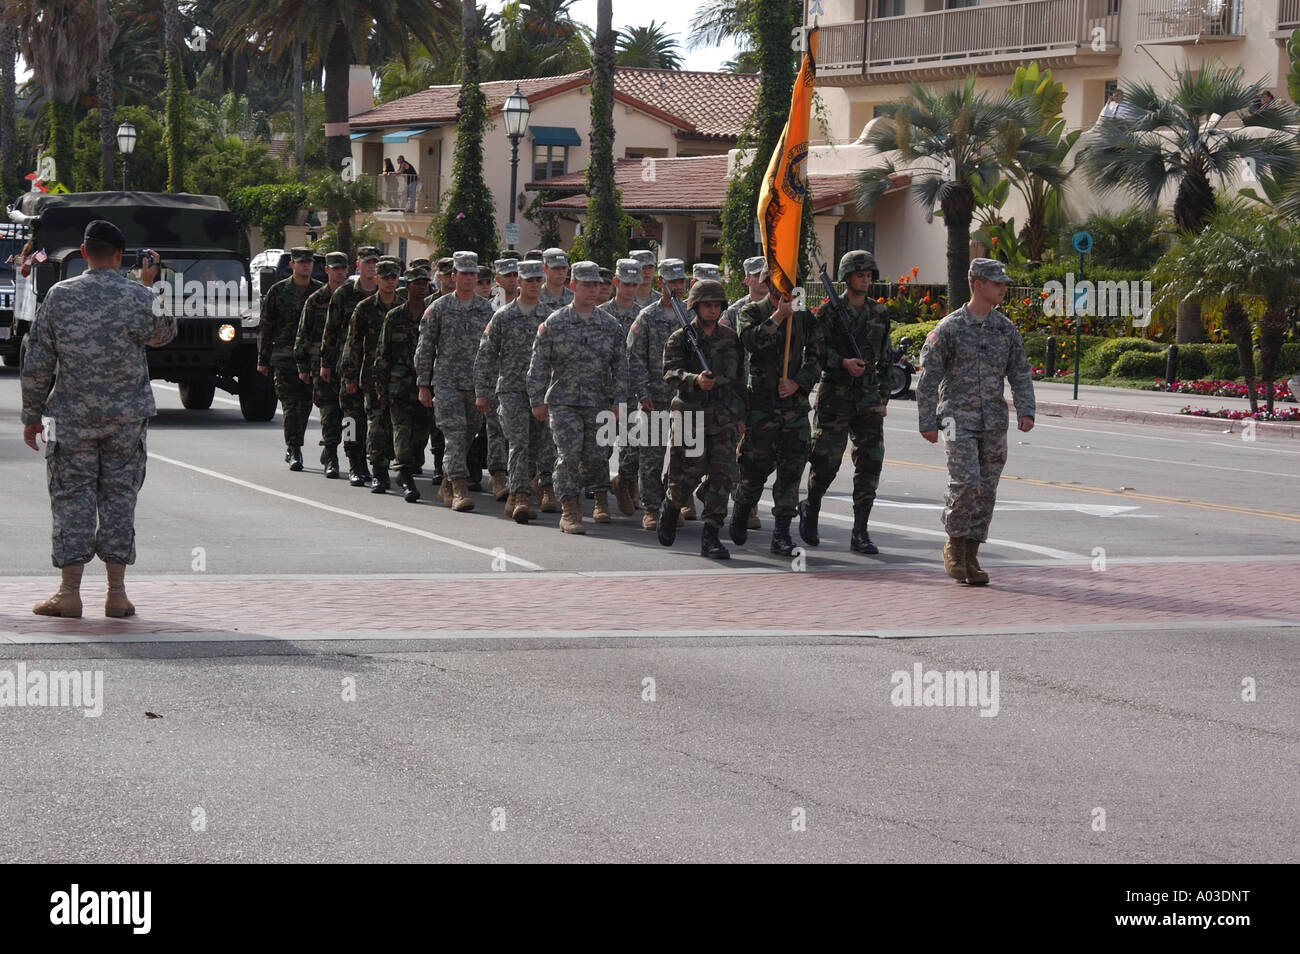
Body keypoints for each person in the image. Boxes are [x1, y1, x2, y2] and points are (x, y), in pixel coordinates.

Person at [20, 220, 172, 618]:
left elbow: (37, 362)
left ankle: (69, 593)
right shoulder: (139, 295)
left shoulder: (59, 295)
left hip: (70, 418)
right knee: (120, 499)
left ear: (84, 253)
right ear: (120, 256)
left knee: (71, 498)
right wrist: (152, 285)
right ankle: (117, 594)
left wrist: (31, 415)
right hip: (127, 419)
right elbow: (164, 333)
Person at [916, 257, 1036, 586]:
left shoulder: (1005, 329)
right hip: (958, 420)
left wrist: (1026, 409)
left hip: (994, 422)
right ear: (978, 285)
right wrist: (927, 420)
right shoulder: (950, 328)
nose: (1002, 289)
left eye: (1003, 284)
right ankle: (954, 546)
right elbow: (928, 379)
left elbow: (1020, 372)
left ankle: (972, 552)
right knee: (966, 482)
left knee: (986, 490)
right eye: (997, 283)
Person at [801, 250, 891, 554]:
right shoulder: (827, 313)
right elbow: (815, 353)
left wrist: (884, 395)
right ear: (847, 277)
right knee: (826, 460)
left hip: (867, 396)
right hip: (836, 394)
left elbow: (887, 357)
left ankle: (860, 531)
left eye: (868, 275)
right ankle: (811, 506)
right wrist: (842, 363)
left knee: (871, 461)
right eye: (859, 275)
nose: (865, 280)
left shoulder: (879, 313)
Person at [527, 261, 627, 534]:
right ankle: (570, 509)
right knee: (568, 455)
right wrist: (537, 399)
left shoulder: (610, 325)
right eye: (586, 285)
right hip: (563, 401)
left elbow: (620, 366)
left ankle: (600, 497)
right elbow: (539, 364)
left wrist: (619, 400)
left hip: (597, 402)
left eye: (596, 284)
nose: (593, 290)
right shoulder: (555, 323)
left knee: (596, 455)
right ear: (573, 286)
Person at [731, 273, 823, 556]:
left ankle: (782, 534)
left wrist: (798, 381)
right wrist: (778, 317)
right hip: (761, 406)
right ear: (771, 286)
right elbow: (749, 342)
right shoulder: (751, 311)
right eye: (783, 285)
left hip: (793, 405)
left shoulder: (805, 316)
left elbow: (817, 357)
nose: (790, 291)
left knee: (791, 469)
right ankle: (742, 510)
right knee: (754, 468)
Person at [657, 279, 744, 560]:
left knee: (722, 475)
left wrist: (742, 415)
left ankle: (712, 536)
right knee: (685, 473)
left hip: (724, 416)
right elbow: (669, 372)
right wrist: (694, 380)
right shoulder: (680, 338)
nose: (713, 310)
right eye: (707, 305)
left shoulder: (731, 338)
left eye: (717, 305)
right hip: (689, 416)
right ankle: (671, 507)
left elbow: (739, 380)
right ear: (695, 306)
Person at [475, 259, 555, 522]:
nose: (534, 285)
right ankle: (520, 495)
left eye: (537, 280)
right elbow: (486, 355)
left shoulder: (551, 317)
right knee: (518, 442)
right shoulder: (503, 316)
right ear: (518, 282)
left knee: (535, 445)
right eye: (528, 280)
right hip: (510, 390)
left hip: (541, 392)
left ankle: (519, 490)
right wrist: (482, 392)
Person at [417, 251, 494, 511]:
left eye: (474, 274)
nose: (471, 278)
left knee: (468, 435)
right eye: (465, 274)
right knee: (455, 435)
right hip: (447, 383)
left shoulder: (486, 310)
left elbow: (493, 350)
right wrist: (423, 385)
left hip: (476, 387)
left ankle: (447, 484)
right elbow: (425, 349)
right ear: (454, 276)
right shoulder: (438, 308)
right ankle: (459, 489)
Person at [626, 258, 687, 531]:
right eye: (671, 282)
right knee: (651, 458)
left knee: (684, 457)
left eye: (680, 281)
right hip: (654, 399)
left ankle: (671, 504)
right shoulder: (647, 317)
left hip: (685, 400)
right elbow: (634, 358)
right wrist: (642, 393)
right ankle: (651, 508)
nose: (677, 287)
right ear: (661, 283)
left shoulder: (691, 316)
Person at [320, 246, 381, 487]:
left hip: (376, 370)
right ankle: (353, 462)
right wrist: (325, 363)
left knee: (374, 421)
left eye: (375, 262)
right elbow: (330, 331)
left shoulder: (386, 292)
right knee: (350, 419)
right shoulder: (344, 295)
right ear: (358, 265)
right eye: (367, 262)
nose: (371, 266)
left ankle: (372, 463)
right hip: (349, 367)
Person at [341, 258, 403, 493]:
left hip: (397, 378)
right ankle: (370, 469)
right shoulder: (365, 307)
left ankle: (387, 465)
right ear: (376, 279)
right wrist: (349, 376)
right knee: (369, 423)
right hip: (368, 375)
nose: (389, 281)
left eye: (393, 277)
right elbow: (352, 343)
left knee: (390, 425)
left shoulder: (402, 307)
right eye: (385, 277)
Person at [258, 247, 322, 472]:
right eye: (301, 262)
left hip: (311, 359)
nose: (306, 265)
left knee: (305, 405)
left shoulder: (319, 292)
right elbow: (266, 327)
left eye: (309, 262)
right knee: (291, 405)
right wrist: (263, 359)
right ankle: (294, 448)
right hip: (284, 359)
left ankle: (297, 443)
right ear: (292, 265)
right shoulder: (278, 291)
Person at [374, 267, 432, 503]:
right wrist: (381, 388)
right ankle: (404, 475)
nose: (421, 287)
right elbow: (383, 354)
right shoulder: (394, 316)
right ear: (407, 286)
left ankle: (410, 467)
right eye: (416, 283)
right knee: (401, 431)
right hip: (399, 386)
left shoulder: (432, 314)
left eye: (424, 283)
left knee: (421, 434)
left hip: (426, 386)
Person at [294, 251, 350, 478]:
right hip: (322, 364)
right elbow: (302, 335)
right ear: (327, 270)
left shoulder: (355, 298)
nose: (339, 272)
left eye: (342, 268)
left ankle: (352, 454)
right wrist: (303, 367)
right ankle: (331, 452)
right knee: (328, 411)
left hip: (350, 366)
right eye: (335, 268)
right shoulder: (315, 299)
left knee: (351, 415)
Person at [602, 258, 646, 517]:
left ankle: (625, 482)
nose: (630, 289)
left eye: (634, 284)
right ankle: (598, 493)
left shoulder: (643, 315)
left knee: (634, 444)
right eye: (626, 283)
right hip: (605, 391)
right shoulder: (603, 313)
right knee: (602, 446)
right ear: (616, 282)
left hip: (632, 390)